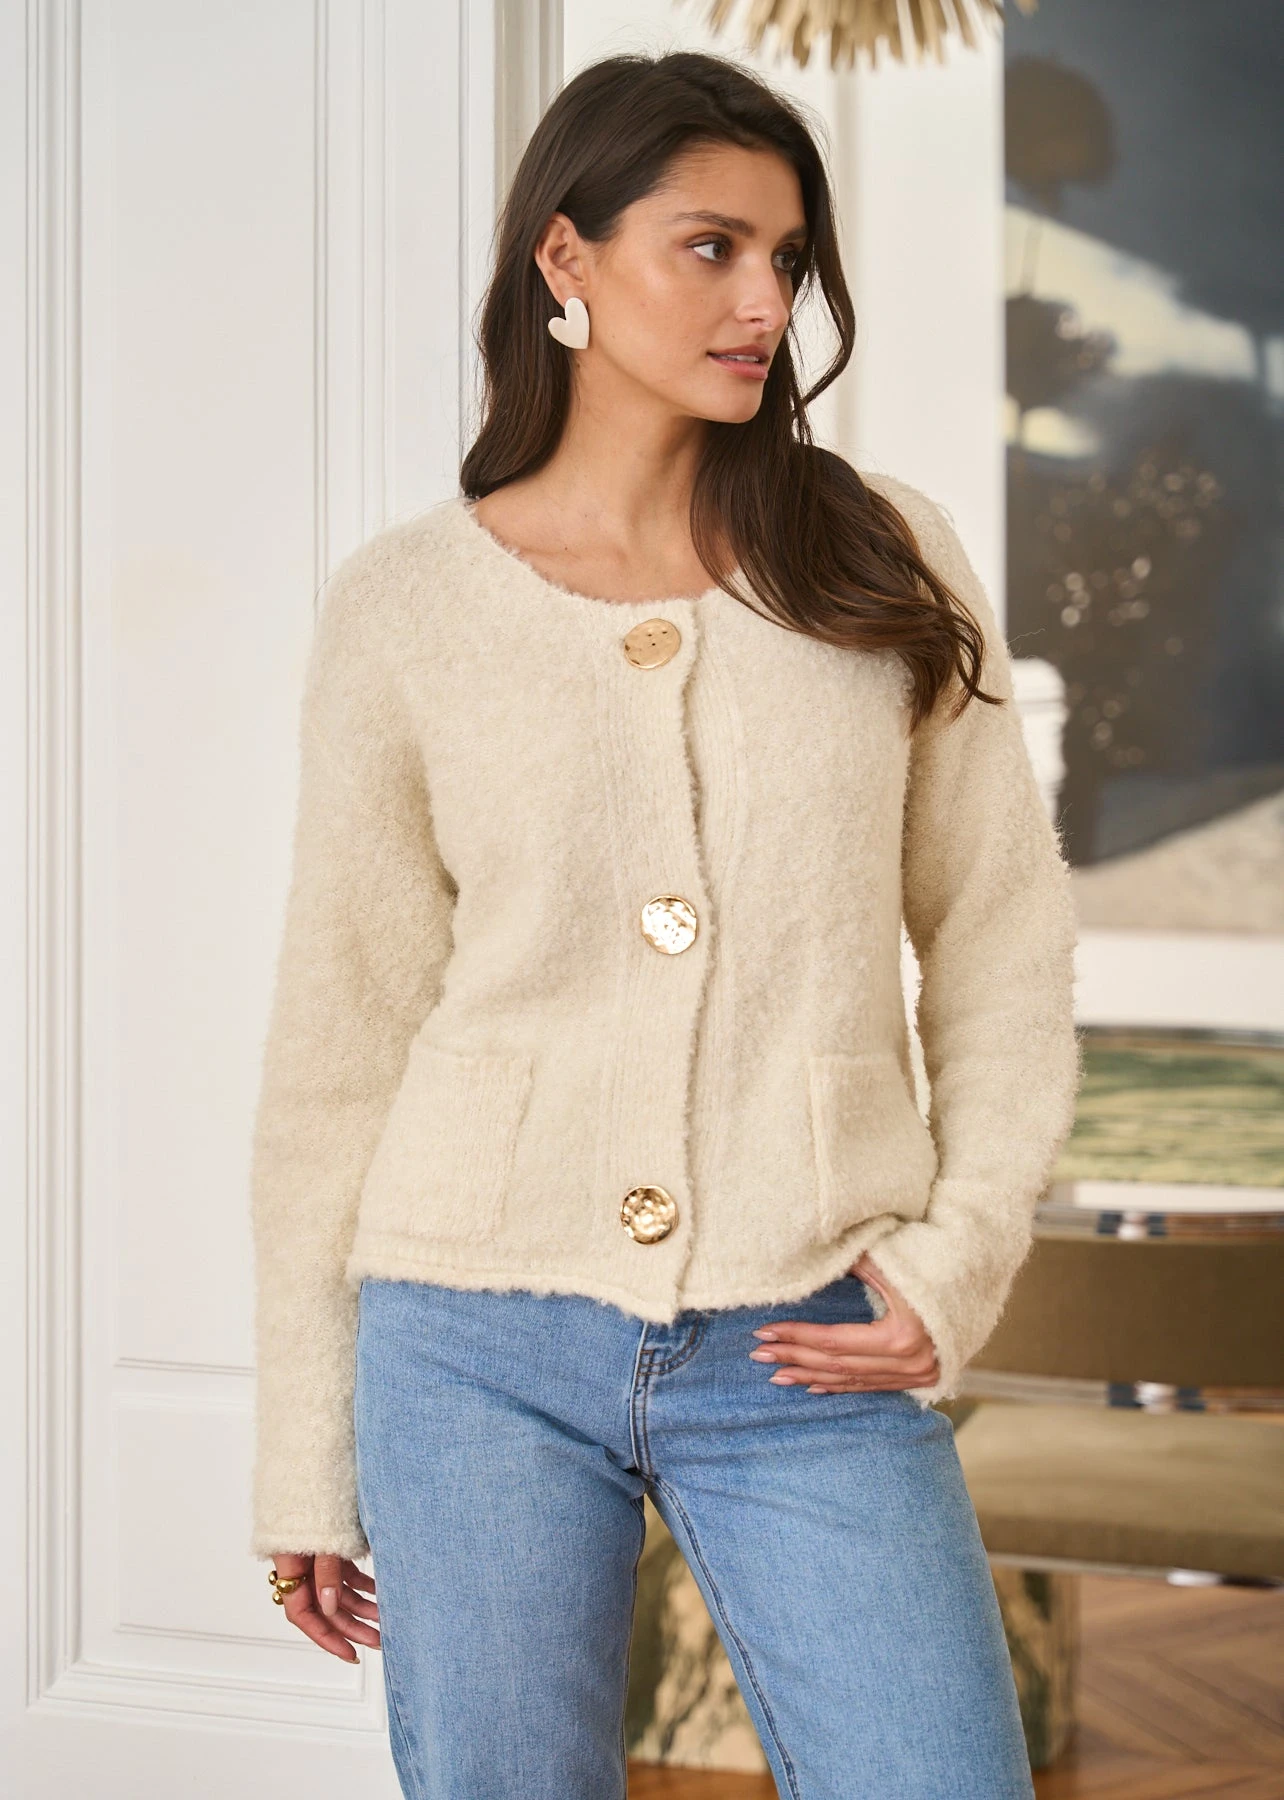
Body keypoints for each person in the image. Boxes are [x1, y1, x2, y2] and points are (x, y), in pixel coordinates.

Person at [249, 48, 1079, 1800]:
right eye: (712, 248)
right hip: (469, 1338)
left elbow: (1002, 943)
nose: (766, 302)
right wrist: (302, 1449)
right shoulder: (405, 609)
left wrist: (957, 1255)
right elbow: (342, 1043)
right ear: (566, 258)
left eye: (788, 258)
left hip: (808, 1324)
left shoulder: (881, 559)